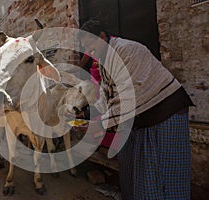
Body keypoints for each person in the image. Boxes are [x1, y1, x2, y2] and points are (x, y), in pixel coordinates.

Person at [78, 20, 194, 199]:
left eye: (90, 44)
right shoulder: (105, 62)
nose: (88, 51)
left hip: (165, 114)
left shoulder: (126, 50)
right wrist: (87, 115)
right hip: (141, 118)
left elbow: (128, 98)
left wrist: (99, 124)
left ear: (101, 36)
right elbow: (107, 96)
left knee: (165, 175)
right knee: (138, 172)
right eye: (85, 47)